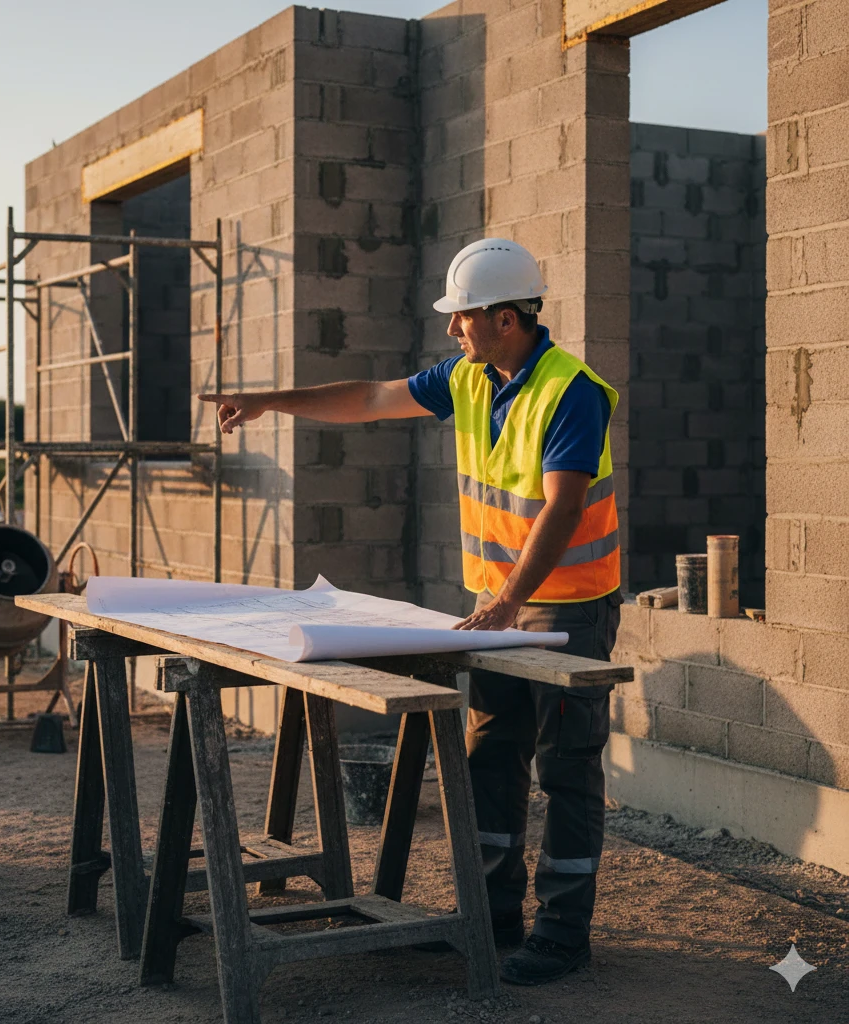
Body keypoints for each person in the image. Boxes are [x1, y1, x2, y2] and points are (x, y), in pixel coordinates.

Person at [199, 238, 621, 985]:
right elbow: (368, 397)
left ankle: (562, 935)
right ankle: (493, 919)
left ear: (504, 318)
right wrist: (270, 400)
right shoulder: (468, 378)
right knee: (492, 762)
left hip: (568, 614)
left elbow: (563, 506)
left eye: (461, 318)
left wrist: (509, 599)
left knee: (566, 773)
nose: (452, 331)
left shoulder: (571, 391)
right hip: (496, 611)